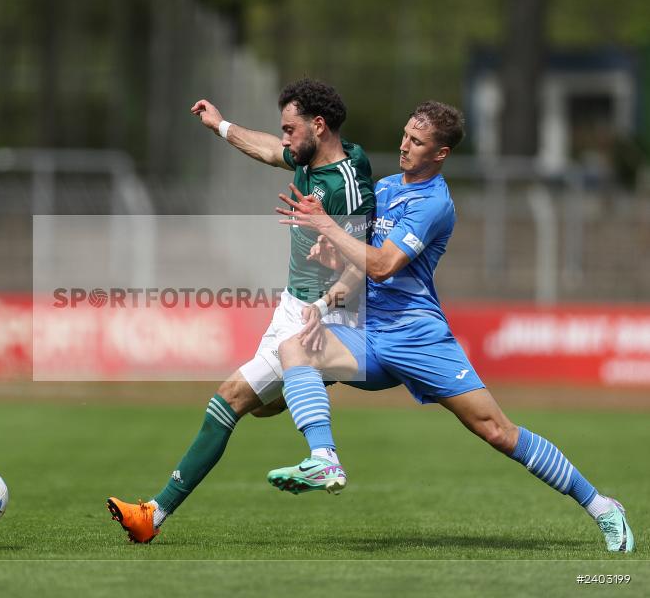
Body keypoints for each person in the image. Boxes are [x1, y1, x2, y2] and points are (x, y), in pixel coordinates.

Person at [269, 100, 635, 553]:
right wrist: (325, 297)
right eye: (404, 134)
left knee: (497, 431)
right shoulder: (381, 187)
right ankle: (324, 458)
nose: (404, 146)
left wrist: (329, 227)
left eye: (417, 142)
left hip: (418, 336)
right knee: (293, 347)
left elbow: (382, 266)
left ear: (440, 154)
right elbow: (358, 264)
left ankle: (602, 507)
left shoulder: (434, 203)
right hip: (369, 334)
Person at [107, 79, 374, 543]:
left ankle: (152, 514)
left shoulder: (345, 184)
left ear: (318, 124)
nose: (286, 139)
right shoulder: (314, 154)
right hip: (293, 304)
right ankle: (311, 381)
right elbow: (272, 151)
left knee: (229, 398)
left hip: (322, 314)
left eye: (291, 130)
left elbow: (366, 261)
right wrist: (221, 125)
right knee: (262, 408)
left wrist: (329, 303)